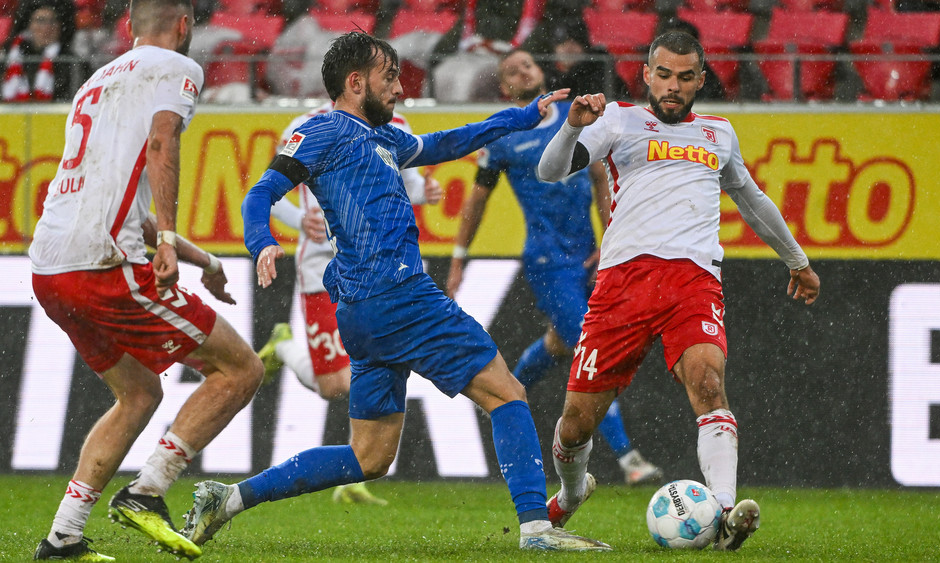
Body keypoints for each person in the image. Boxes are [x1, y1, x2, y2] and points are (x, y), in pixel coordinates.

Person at [180, 31, 610, 552]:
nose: (401, 91)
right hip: (399, 295)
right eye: (390, 79)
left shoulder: (384, 138)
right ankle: (537, 529)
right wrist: (261, 241)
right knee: (508, 395)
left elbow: (449, 143)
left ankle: (226, 500)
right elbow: (261, 193)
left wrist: (521, 116)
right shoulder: (322, 131)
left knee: (369, 456)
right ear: (355, 82)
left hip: (365, 311)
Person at [535, 30, 821, 551]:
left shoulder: (718, 133)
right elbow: (549, 171)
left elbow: (753, 200)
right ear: (646, 74)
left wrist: (797, 260)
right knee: (575, 425)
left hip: (693, 281)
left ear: (700, 81)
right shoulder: (618, 119)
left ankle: (727, 513)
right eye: (663, 75)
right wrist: (571, 129)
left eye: (685, 77)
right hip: (622, 284)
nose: (672, 86)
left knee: (709, 385)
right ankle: (571, 495)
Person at [28, 0, 264, 559]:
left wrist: (204, 260)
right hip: (103, 266)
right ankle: (147, 491)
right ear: (184, 26)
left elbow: (118, 202)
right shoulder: (176, 67)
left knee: (138, 394)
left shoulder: (94, 83)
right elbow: (164, 143)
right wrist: (166, 242)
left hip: (50, 266)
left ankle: (63, 536)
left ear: (130, 26)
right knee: (241, 370)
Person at [446, 49, 662, 487]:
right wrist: (458, 257)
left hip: (586, 253)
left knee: (562, 344)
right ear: (507, 88)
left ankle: (502, 397)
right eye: (512, 70)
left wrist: (610, 239)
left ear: (541, 72)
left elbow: (601, 177)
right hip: (547, 261)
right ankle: (629, 458)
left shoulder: (575, 115)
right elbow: (477, 200)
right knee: (590, 345)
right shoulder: (504, 135)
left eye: (527, 63)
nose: (523, 70)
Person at [259, 104, 443, 505]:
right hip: (320, 264)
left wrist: (425, 193)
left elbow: (405, 184)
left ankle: (354, 475)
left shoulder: (396, 125)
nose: (393, 89)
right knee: (334, 385)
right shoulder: (308, 124)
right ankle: (284, 344)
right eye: (385, 77)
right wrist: (294, 220)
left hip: (372, 266)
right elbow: (270, 187)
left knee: (366, 366)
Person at [2, 3, 74, 101]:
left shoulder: (70, 60)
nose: (47, 27)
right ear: (29, 25)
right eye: (41, 21)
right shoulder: (9, 55)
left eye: (52, 21)